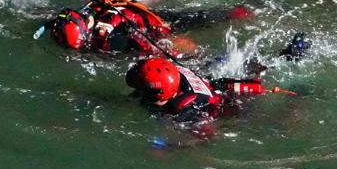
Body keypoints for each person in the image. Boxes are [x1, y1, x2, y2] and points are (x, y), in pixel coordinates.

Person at [42, 0, 255, 58]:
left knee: (199, 22)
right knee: (200, 17)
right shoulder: (87, 12)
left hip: (155, 25)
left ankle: (244, 11)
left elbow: (145, 44)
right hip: (140, 15)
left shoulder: (113, 39)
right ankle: (241, 10)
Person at [125, 57, 292, 129]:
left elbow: (205, 135)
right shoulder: (174, 75)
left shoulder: (186, 110)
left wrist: (172, 147)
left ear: (157, 94)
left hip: (227, 108)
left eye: (141, 88)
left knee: (265, 120)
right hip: (216, 85)